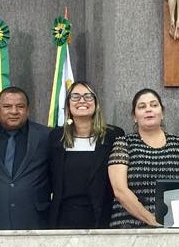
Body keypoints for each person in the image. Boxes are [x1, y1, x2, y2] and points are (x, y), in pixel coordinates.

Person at [108, 88, 179, 227]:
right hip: (129, 227)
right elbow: (120, 190)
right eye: (142, 107)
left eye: (154, 105)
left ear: (162, 113)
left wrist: (168, 222)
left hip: (174, 228)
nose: (148, 109)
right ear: (134, 116)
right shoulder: (123, 143)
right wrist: (152, 220)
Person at [47, 81, 125, 229]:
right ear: (68, 104)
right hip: (63, 218)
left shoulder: (113, 135)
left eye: (88, 96)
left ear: (96, 103)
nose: (82, 100)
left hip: (102, 217)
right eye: (75, 96)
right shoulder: (56, 137)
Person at [0, 86, 51, 230]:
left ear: (28, 110)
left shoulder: (46, 137)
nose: (14, 111)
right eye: (7, 106)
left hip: (35, 220)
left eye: (20, 106)